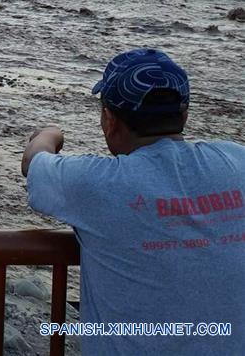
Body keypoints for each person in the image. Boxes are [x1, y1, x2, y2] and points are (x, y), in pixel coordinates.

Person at [22, 48, 245, 355]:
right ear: (184, 115)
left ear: (109, 120)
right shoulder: (235, 160)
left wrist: (50, 133)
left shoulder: (96, 183)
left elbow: (33, 163)